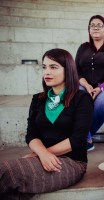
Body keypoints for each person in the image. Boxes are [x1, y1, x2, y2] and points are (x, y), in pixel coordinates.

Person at [0, 48, 93, 199]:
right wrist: (42, 154)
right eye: (44, 67)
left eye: (53, 67)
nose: (46, 72)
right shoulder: (38, 99)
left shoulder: (82, 99)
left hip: (71, 162)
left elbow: (77, 140)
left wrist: (42, 155)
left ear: (68, 70)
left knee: (6, 171)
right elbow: (31, 134)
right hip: (43, 158)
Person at [75, 15, 104, 151]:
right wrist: (86, 85)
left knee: (102, 102)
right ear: (89, 30)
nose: (95, 27)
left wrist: (101, 87)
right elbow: (76, 70)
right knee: (77, 96)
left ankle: (83, 136)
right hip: (84, 85)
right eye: (92, 25)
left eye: (99, 25)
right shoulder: (83, 47)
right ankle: (86, 138)